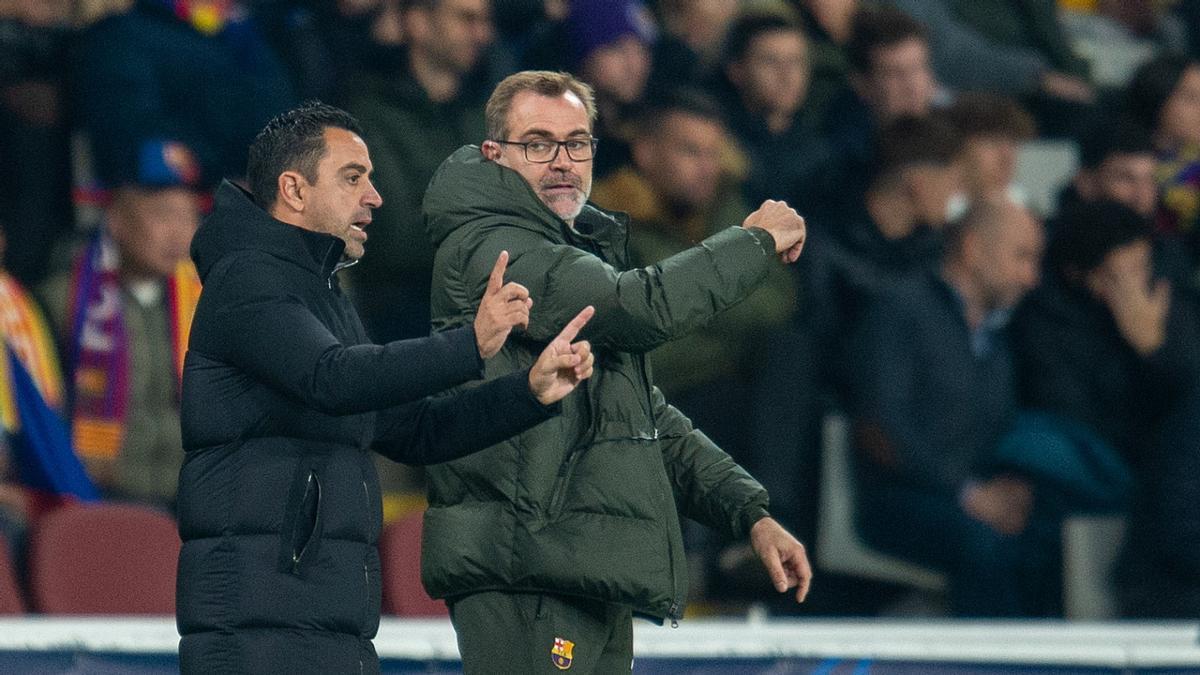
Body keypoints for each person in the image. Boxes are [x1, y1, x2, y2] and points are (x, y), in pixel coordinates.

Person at [174, 101, 597, 674]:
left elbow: (412, 429)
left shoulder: (322, 295)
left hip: (328, 625)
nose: (375, 197)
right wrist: (468, 344)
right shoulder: (248, 281)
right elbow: (333, 378)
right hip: (258, 633)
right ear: (294, 189)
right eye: (353, 178)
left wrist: (528, 393)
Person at [422, 70, 810, 673]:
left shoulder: (578, 251)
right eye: (538, 143)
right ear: (495, 156)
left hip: (580, 566)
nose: (562, 161)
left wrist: (749, 514)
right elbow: (639, 308)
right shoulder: (490, 244)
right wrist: (753, 241)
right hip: (528, 568)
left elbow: (645, 414)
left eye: (577, 142)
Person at [846, 200, 1057, 617]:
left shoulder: (998, 335)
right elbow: (880, 430)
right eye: (1022, 256)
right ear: (974, 249)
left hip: (970, 497)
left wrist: (1008, 488)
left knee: (1048, 538)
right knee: (983, 545)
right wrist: (966, 493)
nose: (1032, 278)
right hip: (898, 500)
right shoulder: (900, 311)